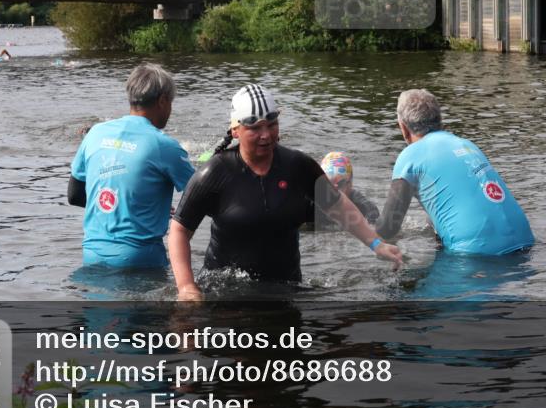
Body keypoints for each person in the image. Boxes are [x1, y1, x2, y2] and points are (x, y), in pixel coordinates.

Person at [168, 84, 402, 299]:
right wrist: (186, 286)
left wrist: (376, 244)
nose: (266, 135)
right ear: (236, 130)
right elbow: (179, 230)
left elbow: (338, 204)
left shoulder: (297, 166)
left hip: (286, 290)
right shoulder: (215, 172)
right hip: (225, 294)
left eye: (272, 124)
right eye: (255, 127)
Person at [376, 89, 534, 256]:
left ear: (403, 128)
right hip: (525, 241)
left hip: (475, 255)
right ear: (440, 120)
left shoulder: (409, 157)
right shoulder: (466, 144)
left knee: (401, 279)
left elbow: (387, 229)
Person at [69, 63, 195, 268]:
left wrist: (127, 207)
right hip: (140, 260)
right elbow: (204, 197)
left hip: (91, 257)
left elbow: (74, 196)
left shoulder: (95, 133)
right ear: (163, 101)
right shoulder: (164, 145)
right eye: (171, 102)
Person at [314, 152, 379, 231]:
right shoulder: (314, 204)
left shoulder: (362, 205)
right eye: (329, 184)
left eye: (340, 184)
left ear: (350, 184)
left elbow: (373, 220)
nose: (333, 191)